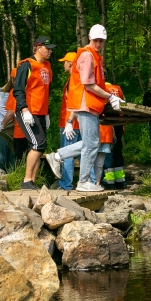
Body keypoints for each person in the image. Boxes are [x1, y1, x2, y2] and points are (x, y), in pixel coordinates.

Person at [44, 24, 123, 192]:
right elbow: (88, 84)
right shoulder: (87, 56)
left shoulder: (93, 55)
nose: (99, 44)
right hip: (85, 103)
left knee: (91, 143)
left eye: (101, 41)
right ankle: (83, 181)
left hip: (89, 104)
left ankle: (58, 156)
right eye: (96, 41)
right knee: (92, 143)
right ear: (89, 38)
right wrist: (110, 96)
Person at [12, 36, 56, 190]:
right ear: (38, 48)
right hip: (27, 111)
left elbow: (46, 91)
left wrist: (47, 113)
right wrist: (24, 110)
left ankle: (32, 182)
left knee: (39, 146)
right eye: (47, 48)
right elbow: (18, 90)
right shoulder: (26, 65)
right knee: (38, 143)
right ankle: (26, 180)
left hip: (41, 112)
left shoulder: (47, 66)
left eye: (51, 48)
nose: (50, 51)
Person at [57, 52, 81, 190]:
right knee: (83, 154)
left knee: (67, 154)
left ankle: (66, 185)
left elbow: (74, 102)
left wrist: (69, 122)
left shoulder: (73, 80)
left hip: (70, 125)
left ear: (70, 63)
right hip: (76, 123)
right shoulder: (75, 79)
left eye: (64, 62)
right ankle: (88, 181)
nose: (63, 65)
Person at [103, 82, 126, 189]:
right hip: (119, 123)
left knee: (107, 151)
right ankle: (121, 181)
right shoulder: (118, 88)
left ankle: (109, 182)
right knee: (117, 150)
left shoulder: (100, 88)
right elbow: (123, 104)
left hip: (106, 124)